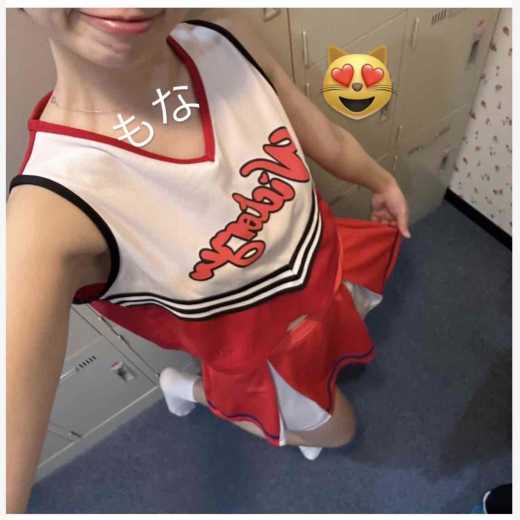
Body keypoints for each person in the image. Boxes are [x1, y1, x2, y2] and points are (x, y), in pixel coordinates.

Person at [6, 8, 411, 513]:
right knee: (339, 430)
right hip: (261, 356)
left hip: (323, 277)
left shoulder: (223, 38)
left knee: (339, 344)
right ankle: (193, 390)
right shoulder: (50, 212)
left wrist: (379, 180)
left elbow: (321, 134)